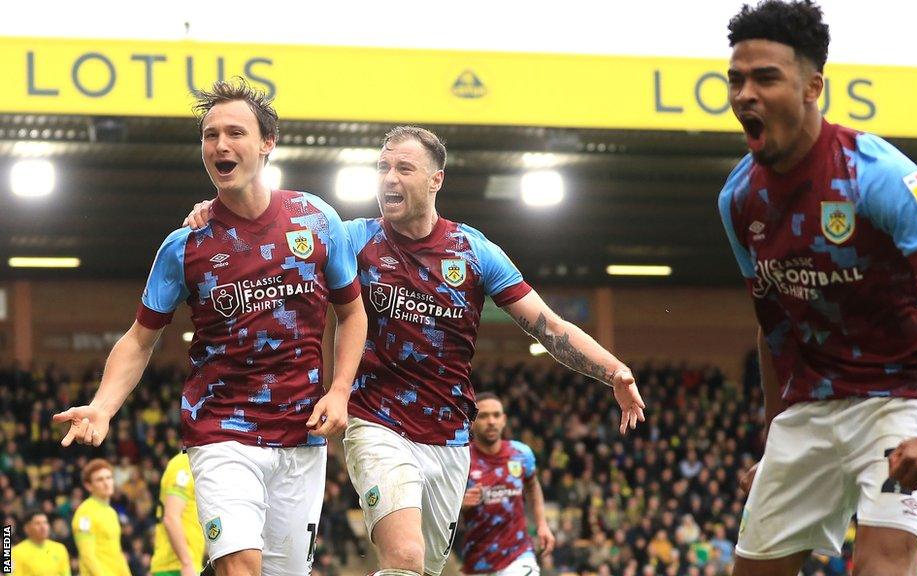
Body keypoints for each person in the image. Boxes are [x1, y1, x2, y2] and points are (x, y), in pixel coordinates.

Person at [185, 125, 646, 576]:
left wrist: (615, 372)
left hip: (448, 433)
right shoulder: (352, 238)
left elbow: (548, 326)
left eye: (404, 168)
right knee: (403, 555)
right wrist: (220, 209)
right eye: (382, 167)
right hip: (375, 420)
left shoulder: (472, 251)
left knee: (419, 570)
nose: (389, 178)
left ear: (435, 179)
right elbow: (271, 232)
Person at [718, 2, 917, 575]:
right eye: (736, 80)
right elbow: (772, 326)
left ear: (814, 85)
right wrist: (773, 437)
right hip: (809, 409)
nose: (746, 94)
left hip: (900, 399)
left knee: (882, 566)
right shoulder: (738, 199)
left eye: (766, 77)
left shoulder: (875, 174)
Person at [54, 78, 368, 576]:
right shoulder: (185, 245)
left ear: (268, 143)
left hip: (300, 434)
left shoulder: (317, 219)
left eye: (235, 133)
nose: (220, 145)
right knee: (240, 565)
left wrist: (341, 390)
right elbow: (140, 339)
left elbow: (351, 313)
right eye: (210, 135)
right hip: (221, 430)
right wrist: (103, 405)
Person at [459, 392, 555, 575]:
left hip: (518, 555)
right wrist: (461, 505)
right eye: (484, 416)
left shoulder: (520, 454)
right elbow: (441, 506)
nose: (491, 421)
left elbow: (533, 486)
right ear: (472, 421)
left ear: (504, 420)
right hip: (476, 562)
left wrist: (542, 524)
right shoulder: (462, 460)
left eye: (496, 415)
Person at [72, 458, 131, 576]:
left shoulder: (112, 512)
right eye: (100, 479)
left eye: (109, 478)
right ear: (88, 486)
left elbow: (117, 553)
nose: (106, 483)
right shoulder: (85, 513)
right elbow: (87, 555)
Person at [151, 452, 205, 576]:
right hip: (175, 567)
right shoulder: (184, 463)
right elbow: (171, 517)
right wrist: (186, 563)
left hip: (186, 563)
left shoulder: (195, 462)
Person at [11, 509, 71, 576]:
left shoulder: (60, 548)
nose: (43, 527)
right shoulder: (15, 552)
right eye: (37, 523)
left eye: (45, 522)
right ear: (27, 528)